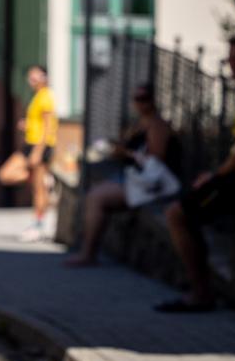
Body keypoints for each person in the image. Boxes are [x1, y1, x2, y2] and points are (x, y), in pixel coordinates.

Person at [156, 36, 235, 313]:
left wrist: (214, 178)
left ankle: (200, 293)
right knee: (184, 215)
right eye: (231, 59)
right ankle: (200, 288)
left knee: (176, 215)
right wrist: (214, 176)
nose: (234, 64)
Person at [64, 83, 179, 267]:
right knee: (94, 193)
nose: (140, 103)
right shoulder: (137, 124)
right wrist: (118, 150)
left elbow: (155, 158)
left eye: (144, 98)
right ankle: (86, 248)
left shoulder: (157, 125)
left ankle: (87, 253)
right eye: (137, 99)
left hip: (149, 184)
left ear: (152, 100)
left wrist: (127, 153)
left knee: (95, 197)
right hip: (133, 178)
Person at [17, 65, 57, 242]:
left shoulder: (46, 96)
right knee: (9, 176)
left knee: (39, 189)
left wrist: (38, 152)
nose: (31, 80)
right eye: (30, 77)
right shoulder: (37, 96)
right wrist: (27, 124)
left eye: (35, 77)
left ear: (44, 77)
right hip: (31, 142)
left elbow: (48, 127)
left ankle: (38, 225)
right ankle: (47, 182)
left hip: (40, 145)